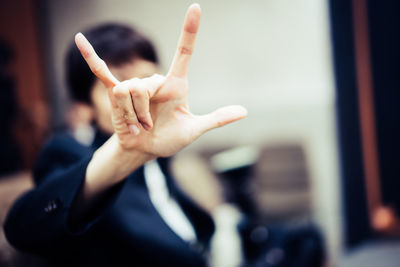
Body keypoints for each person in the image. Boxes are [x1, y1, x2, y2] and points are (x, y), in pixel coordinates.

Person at [3, 4, 247, 267]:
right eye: (120, 84)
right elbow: (23, 228)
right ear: (85, 107)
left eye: (147, 79)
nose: (140, 94)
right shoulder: (68, 153)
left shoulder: (160, 157)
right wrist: (122, 153)